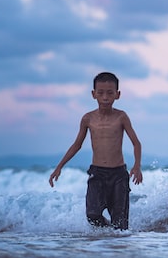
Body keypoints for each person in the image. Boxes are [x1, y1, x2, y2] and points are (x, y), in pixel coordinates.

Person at [49, 72, 143, 230]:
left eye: (110, 93)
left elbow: (136, 143)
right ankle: (107, 231)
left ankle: (115, 247)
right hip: (97, 174)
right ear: (94, 94)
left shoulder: (121, 117)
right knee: (92, 215)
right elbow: (76, 145)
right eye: (100, 93)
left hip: (119, 175)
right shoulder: (88, 118)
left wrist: (137, 166)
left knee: (120, 225)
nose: (105, 97)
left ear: (117, 95)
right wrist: (59, 167)